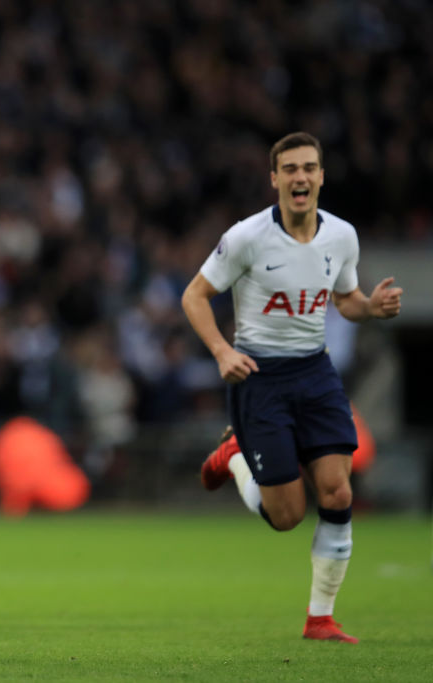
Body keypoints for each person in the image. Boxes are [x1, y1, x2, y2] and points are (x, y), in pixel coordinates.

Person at [181, 132, 403, 644]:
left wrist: (370, 308)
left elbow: (345, 299)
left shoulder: (342, 236)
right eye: (290, 169)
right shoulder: (246, 237)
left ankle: (320, 617)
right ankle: (236, 455)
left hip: (316, 372)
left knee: (338, 490)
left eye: (309, 168)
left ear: (321, 176)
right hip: (260, 377)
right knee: (286, 516)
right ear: (275, 178)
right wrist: (222, 350)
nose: (300, 177)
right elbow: (195, 296)